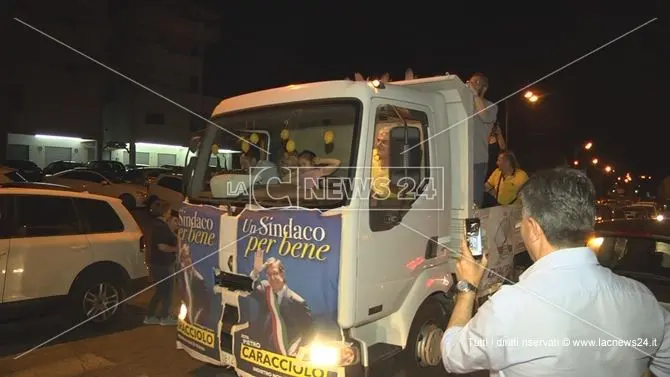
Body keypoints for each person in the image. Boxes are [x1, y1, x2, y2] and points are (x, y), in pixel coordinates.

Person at [441, 168, 670, 376]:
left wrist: (467, 288)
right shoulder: (643, 299)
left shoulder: (509, 307)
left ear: (533, 228)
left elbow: (453, 357)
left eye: (522, 221)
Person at [248, 251, 313, 357]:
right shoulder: (265, 289)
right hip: (263, 350)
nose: (272, 278)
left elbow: (308, 331)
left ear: (282, 274)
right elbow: (248, 288)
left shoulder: (298, 302)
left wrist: (299, 351)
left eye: (275, 273)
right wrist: (255, 272)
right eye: (269, 275)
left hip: (286, 352)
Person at [144, 200, 179, 325]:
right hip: (163, 263)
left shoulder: (156, 225)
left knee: (160, 291)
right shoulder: (161, 227)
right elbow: (162, 247)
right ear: (165, 212)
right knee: (167, 291)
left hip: (157, 263)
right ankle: (165, 317)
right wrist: (176, 249)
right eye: (169, 211)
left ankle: (150, 316)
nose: (170, 213)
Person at [467, 72, 498, 208]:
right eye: (470, 82)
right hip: (460, 159)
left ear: (484, 88)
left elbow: (484, 116)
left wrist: (474, 95)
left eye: (476, 83)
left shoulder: (491, 106)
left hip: (477, 160)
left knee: (474, 200)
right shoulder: (464, 105)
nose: (471, 85)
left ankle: (474, 228)